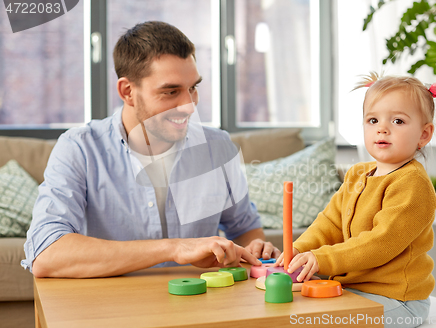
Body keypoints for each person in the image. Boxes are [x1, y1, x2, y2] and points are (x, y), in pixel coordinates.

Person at [22, 21, 280, 278]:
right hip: (112, 310)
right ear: (128, 92)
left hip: (201, 308)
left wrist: (254, 247)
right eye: (170, 92)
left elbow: (245, 229)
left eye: (193, 88)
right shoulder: (79, 148)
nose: (189, 106)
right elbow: (46, 254)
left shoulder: (217, 147)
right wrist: (173, 248)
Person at [275, 72, 436, 327]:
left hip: (399, 300)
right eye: (373, 120)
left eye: (398, 121)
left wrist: (322, 258)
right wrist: (300, 248)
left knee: (326, 322)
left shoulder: (412, 183)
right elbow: (330, 223)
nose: (382, 128)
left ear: (424, 135)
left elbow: (379, 242)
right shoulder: (357, 173)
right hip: (355, 289)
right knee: (298, 315)